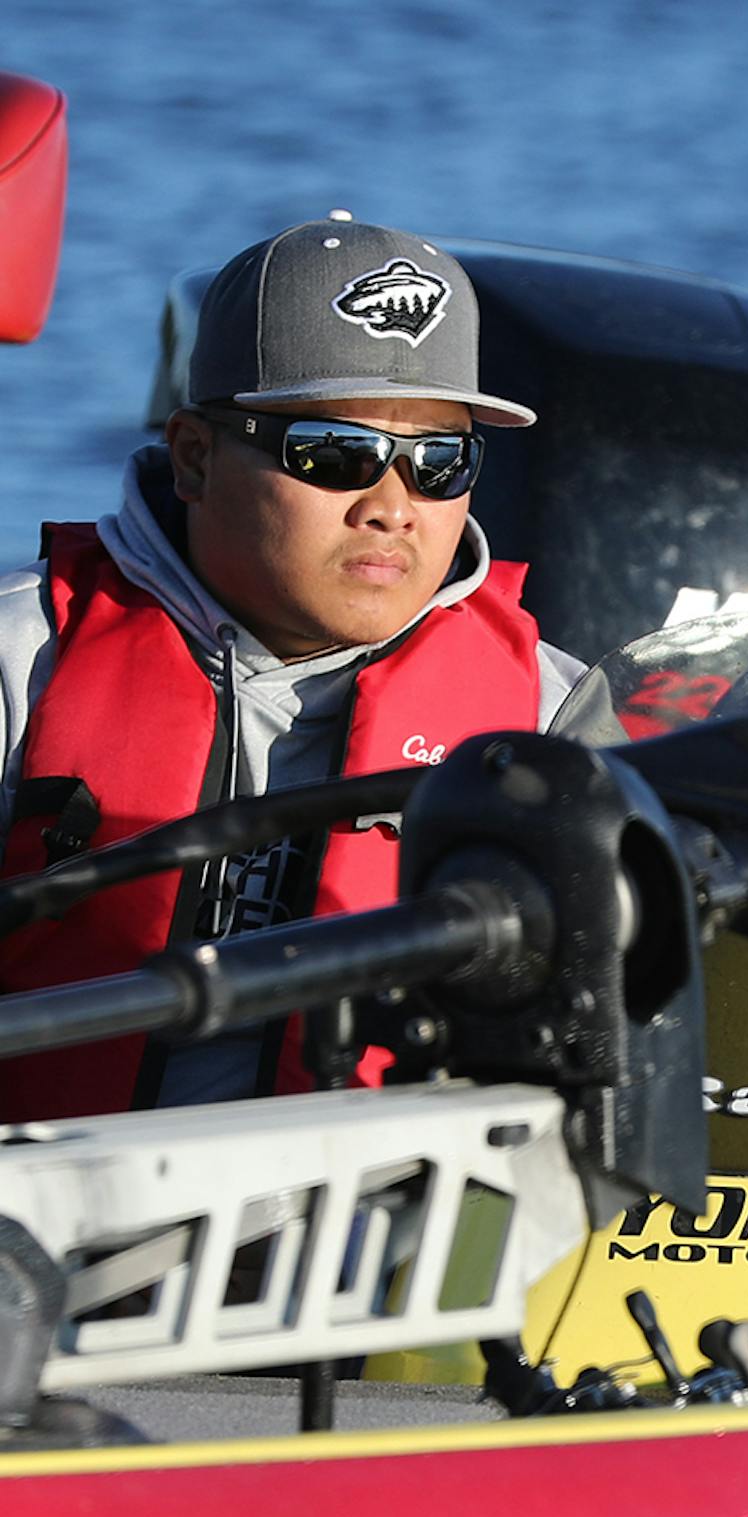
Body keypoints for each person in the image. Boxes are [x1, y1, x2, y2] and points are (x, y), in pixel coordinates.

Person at [0, 213, 583, 1118]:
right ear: (195, 457)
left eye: (440, 461)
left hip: (385, 1239)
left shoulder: (550, 721)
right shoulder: (18, 659)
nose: (393, 506)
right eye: (336, 453)